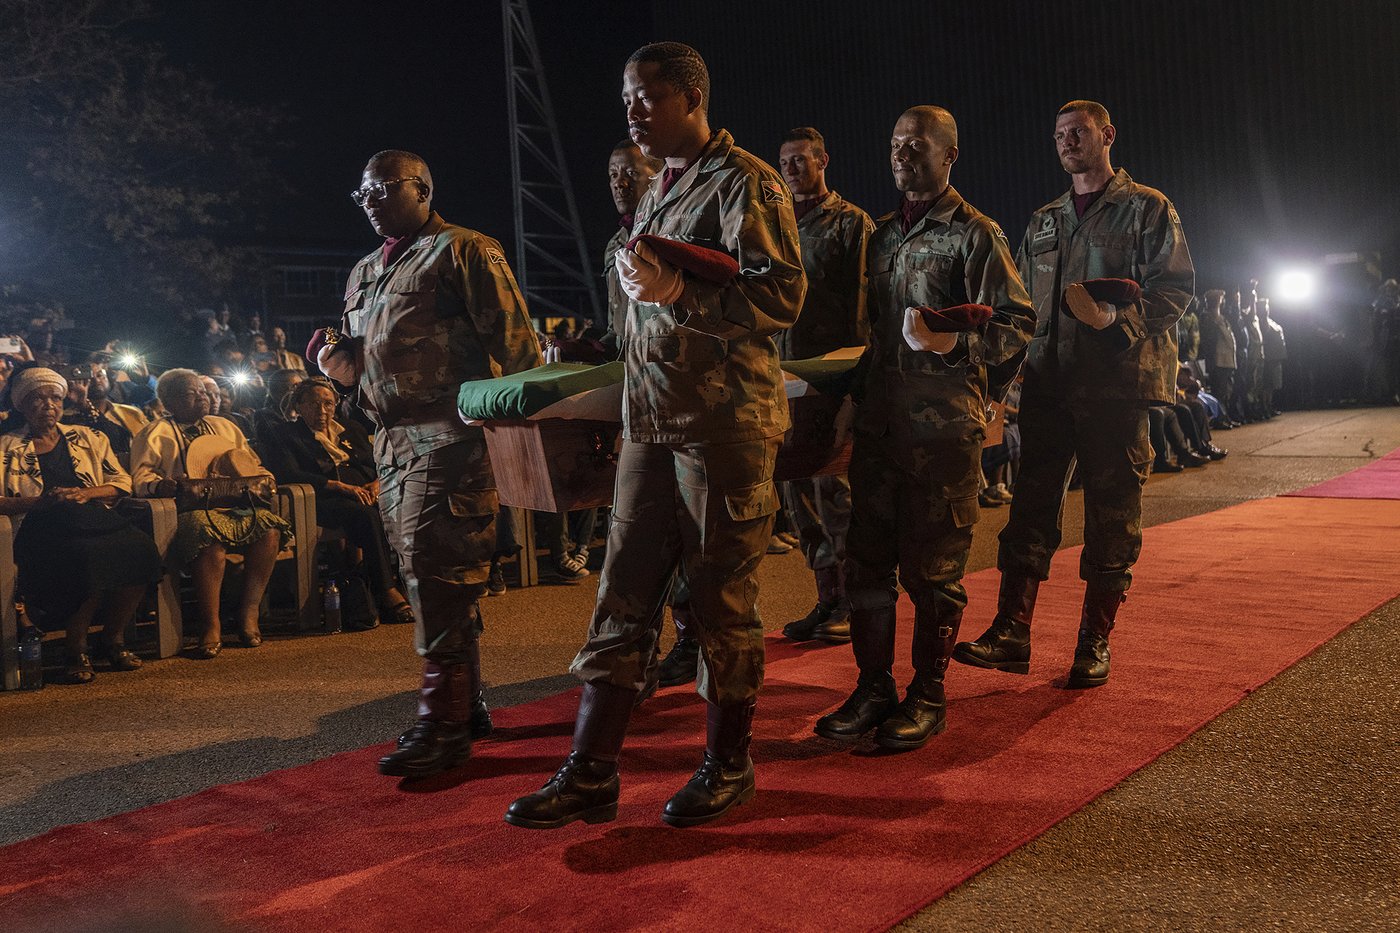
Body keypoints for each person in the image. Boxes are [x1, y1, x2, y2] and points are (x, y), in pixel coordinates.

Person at [506, 42, 804, 830]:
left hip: (724, 425)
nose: (633, 112)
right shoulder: (657, 194)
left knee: (719, 600)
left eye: (647, 97)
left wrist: (682, 294)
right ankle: (591, 769)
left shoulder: (746, 182)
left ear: (691, 96)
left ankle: (727, 763)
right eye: (628, 99)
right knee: (621, 595)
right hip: (652, 424)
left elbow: (780, 296)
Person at [813, 106, 1034, 748]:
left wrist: (955, 351)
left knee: (933, 571)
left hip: (941, 434)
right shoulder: (879, 237)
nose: (904, 154)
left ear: (949, 154)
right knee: (866, 565)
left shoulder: (975, 234)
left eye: (918, 144)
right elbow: (869, 335)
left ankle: (927, 694)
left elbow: (1017, 324)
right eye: (896, 144)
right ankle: (873, 688)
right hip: (880, 428)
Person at [318, 149, 543, 778]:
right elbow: (366, 366)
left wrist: (523, 437)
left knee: (433, 571)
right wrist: (340, 375)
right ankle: (464, 705)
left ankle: (441, 723)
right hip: (390, 443)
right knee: (433, 579)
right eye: (362, 193)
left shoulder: (465, 250)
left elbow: (517, 347)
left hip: (452, 438)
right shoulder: (365, 271)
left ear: (423, 188)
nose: (372, 201)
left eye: (385, 188)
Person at [954, 100, 1193, 689]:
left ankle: (1093, 643)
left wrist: (1121, 324)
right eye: (1059, 134)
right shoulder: (1043, 221)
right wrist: (1001, 380)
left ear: (1107, 135)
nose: (1067, 142)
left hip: (1114, 388)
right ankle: (1012, 631)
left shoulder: (1146, 209)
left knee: (1113, 514)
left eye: (1079, 132)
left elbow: (1176, 287)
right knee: (1030, 508)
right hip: (1049, 386)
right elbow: (1024, 312)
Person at [770, 125, 874, 647]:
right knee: (797, 492)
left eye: (800, 160)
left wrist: (854, 382)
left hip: (830, 379)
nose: (791, 168)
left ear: (823, 160)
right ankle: (826, 597)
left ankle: (855, 602)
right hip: (783, 379)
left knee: (836, 492)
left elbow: (863, 307)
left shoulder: (852, 224)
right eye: (784, 161)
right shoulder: (774, 224)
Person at [1, 365, 161, 683]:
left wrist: (85, 492)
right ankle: (76, 647)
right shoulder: (7, 447)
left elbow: (121, 482)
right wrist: (40, 502)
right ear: (22, 404)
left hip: (90, 515)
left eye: (55, 398)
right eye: (39, 399)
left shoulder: (87, 437)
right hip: (36, 524)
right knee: (85, 557)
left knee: (141, 548)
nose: (49, 405)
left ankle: (112, 638)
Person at [130, 368, 292, 658]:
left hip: (235, 504)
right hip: (186, 512)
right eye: (193, 394)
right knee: (209, 542)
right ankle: (211, 625)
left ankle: (248, 612)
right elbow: (141, 479)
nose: (203, 398)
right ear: (170, 401)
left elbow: (250, 464)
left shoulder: (225, 426)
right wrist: (163, 485)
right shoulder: (155, 433)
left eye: (204, 392)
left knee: (269, 530)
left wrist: (263, 477)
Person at [259, 378, 412, 627]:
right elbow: (288, 473)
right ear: (299, 405)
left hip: (365, 493)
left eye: (328, 404)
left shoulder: (351, 429)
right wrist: (339, 486)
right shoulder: (286, 434)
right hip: (321, 499)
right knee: (367, 516)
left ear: (336, 405)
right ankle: (388, 591)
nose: (322, 411)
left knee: (397, 507)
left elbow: (377, 465)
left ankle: (411, 584)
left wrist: (376, 484)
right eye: (314, 404)